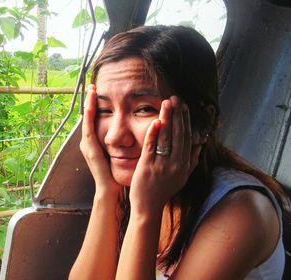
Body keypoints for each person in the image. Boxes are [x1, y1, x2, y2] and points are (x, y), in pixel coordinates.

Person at [69, 25, 288, 280]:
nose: (114, 136)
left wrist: (144, 211)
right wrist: (106, 190)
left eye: (142, 109)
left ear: (202, 121)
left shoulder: (244, 211)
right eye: (105, 110)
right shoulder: (141, 182)